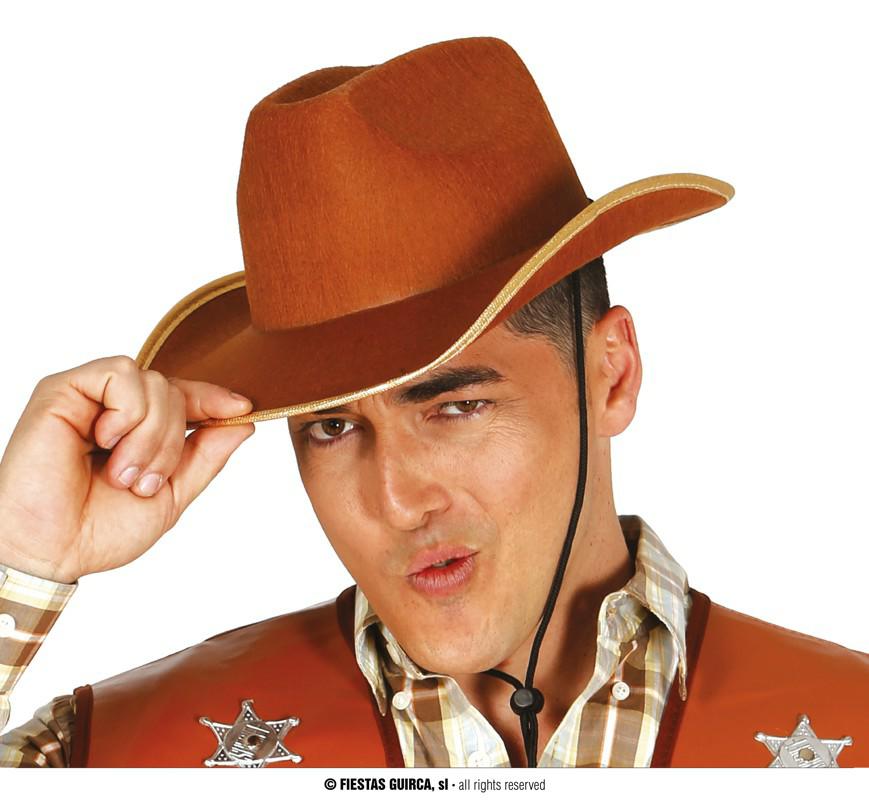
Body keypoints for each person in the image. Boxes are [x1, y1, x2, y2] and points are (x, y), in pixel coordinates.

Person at [0, 35, 866, 769]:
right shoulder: (113, 753)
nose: (395, 499)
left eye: (454, 407)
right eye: (331, 426)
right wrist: (22, 555)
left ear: (610, 373)